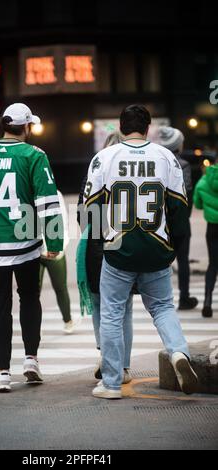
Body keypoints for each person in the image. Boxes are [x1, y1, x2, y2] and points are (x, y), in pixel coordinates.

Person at [84, 105, 198, 399]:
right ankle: (178, 352)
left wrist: (105, 241)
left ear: (120, 128)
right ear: (148, 128)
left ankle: (111, 383)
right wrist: (172, 247)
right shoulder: (165, 158)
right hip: (156, 246)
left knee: (111, 314)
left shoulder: (104, 158)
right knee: (162, 307)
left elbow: (89, 212)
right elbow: (178, 210)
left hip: (119, 248)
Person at [0, 103, 63, 393]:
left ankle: (2, 373)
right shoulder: (34, 155)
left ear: (4, 125)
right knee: (29, 298)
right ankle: (31, 359)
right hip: (25, 244)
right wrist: (54, 242)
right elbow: (48, 204)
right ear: (27, 127)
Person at [77, 132, 133, 385]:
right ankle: (124, 366)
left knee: (100, 305)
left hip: (97, 244)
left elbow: (83, 213)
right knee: (125, 310)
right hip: (129, 244)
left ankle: (106, 357)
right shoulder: (135, 174)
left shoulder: (95, 170)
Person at [157, 126, 198, 310]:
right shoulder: (183, 165)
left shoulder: (158, 162)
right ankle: (184, 297)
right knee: (183, 260)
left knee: (162, 261)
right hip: (179, 221)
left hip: (160, 222)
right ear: (177, 145)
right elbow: (186, 195)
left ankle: (161, 298)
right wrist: (184, 218)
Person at [39, 190, 74, 334]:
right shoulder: (26, 191)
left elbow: (64, 223)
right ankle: (34, 326)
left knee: (60, 287)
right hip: (37, 250)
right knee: (33, 292)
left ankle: (67, 320)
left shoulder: (55, 193)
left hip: (51, 249)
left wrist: (60, 246)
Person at [193, 157, 218, 318]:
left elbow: (198, 204)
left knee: (213, 264)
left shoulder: (203, 182)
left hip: (212, 227)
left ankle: (207, 301)